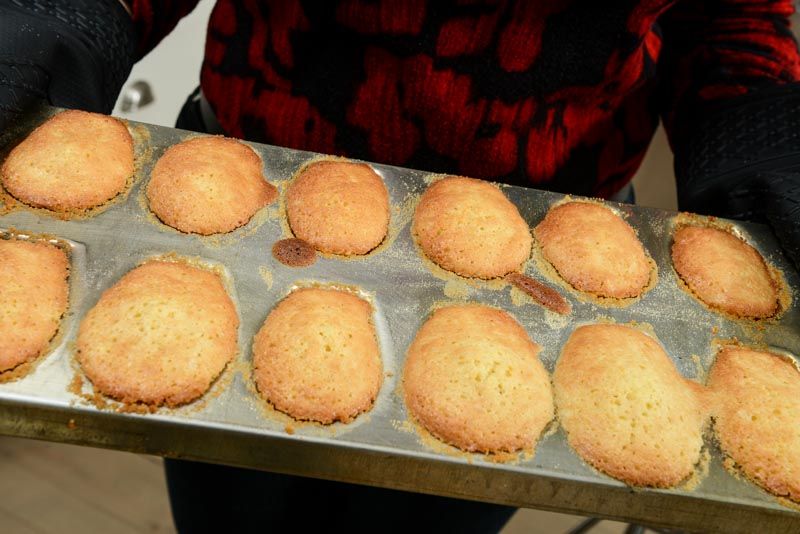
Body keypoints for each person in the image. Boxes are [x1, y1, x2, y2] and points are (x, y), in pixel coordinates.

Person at [1, 1, 798, 532]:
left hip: (542, 261)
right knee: (230, 505)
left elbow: (727, 17)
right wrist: (57, 16)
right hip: (246, 198)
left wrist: (763, 131)